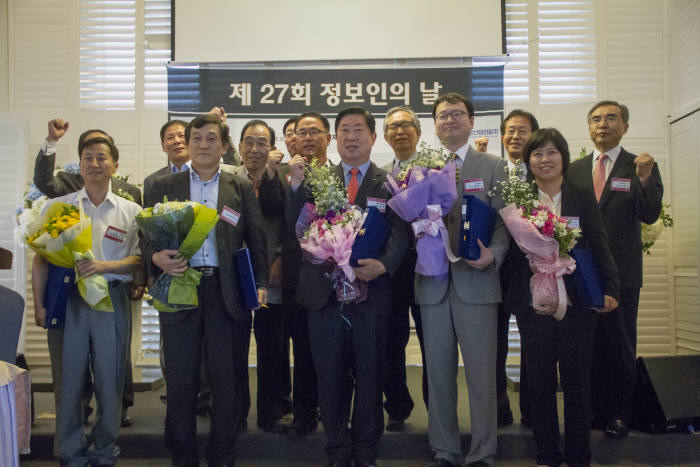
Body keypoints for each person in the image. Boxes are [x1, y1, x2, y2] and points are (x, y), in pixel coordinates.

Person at [142, 114, 268, 466]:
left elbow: (256, 237)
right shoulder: (163, 186)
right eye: (195, 138)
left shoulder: (238, 187)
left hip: (225, 293)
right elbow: (145, 236)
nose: (202, 145)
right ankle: (182, 456)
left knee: (227, 381)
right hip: (180, 288)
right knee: (181, 381)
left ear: (224, 147)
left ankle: (221, 454)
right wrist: (156, 258)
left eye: (211, 138)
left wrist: (260, 285)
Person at [290, 107, 409, 467]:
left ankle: (366, 451)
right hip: (324, 295)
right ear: (333, 138)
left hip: (371, 295)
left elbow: (402, 232)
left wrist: (385, 264)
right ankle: (337, 450)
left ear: (374, 138)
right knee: (329, 375)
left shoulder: (390, 182)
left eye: (359, 130)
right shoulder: (312, 179)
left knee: (371, 375)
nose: (351, 136)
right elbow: (296, 229)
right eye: (344, 130)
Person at [511, 127, 620, 467]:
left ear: (563, 158)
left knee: (577, 382)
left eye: (551, 152)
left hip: (577, 302)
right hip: (535, 304)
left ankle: (578, 455)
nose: (545, 160)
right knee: (540, 382)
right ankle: (546, 454)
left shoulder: (580, 194)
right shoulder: (519, 200)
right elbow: (511, 256)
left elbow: (599, 241)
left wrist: (610, 288)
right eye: (537, 153)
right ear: (528, 161)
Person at [417, 93, 508, 467]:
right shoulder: (422, 168)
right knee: (438, 375)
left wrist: (494, 256)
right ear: (435, 125)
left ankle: (483, 451)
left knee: (482, 376)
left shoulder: (493, 166)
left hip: (477, 283)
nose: (450, 121)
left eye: (457, 115)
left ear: (471, 122)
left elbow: (507, 222)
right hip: (434, 285)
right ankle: (445, 449)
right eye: (442, 116)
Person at [568, 100, 663, 439]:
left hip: (622, 271)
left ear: (625, 126)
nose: (603, 125)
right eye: (596, 119)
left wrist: (645, 179)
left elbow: (650, 214)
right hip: (581, 271)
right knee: (586, 344)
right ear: (589, 127)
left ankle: (621, 413)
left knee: (620, 345)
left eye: (611, 119)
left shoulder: (638, 165)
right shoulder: (575, 169)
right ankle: (593, 411)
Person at [50, 136, 142, 466]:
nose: (94, 163)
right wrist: (42, 304)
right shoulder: (63, 209)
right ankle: (72, 454)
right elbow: (44, 257)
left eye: (101, 158)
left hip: (112, 299)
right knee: (71, 380)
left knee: (110, 379)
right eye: (87, 157)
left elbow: (139, 260)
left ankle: (104, 450)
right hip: (72, 301)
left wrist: (104, 266)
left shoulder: (130, 211)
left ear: (115, 166)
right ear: (80, 163)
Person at [259, 112, 333, 435]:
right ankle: (304, 415)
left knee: (333, 350)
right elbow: (275, 217)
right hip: (296, 274)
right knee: (301, 347)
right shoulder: (286, 175)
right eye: (301, 132)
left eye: (314, 131)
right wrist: (279, 175)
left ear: (328, 138)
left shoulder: (340, 173)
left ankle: (334, 412)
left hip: (334, 274)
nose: (307, 137)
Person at [234, 119, 289, 433]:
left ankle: (270, 415)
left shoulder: (281, 178)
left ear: (272, 148)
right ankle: (235, 413)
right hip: (235, 277)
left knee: (271, 348)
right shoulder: (226, 179)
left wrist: (280, 256)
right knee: (234, 349)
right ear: (239, 146)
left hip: (272, 274)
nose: (255, 149)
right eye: (249, 142)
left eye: (262, 143)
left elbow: (291, 223)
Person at [380, 105, 428, 430]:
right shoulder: (379, 175)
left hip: (429, 268)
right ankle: (397, 406)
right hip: (391, 274)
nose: (400, 131)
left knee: (432, 342)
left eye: (406, 125)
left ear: (418, 132)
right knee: (390, 342)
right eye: (393, 127)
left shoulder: (435, 171)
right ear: (385, 136)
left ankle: (436, 406)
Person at [496, 109, 540, 427]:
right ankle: (499, 407)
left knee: (534, 343)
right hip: (494, 271)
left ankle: (532, 409)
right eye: (510, 131)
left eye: (522, 131)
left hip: (532, 272)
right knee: (494, 343)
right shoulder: (492, 172)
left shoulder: (544, 174)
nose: (515, 136)